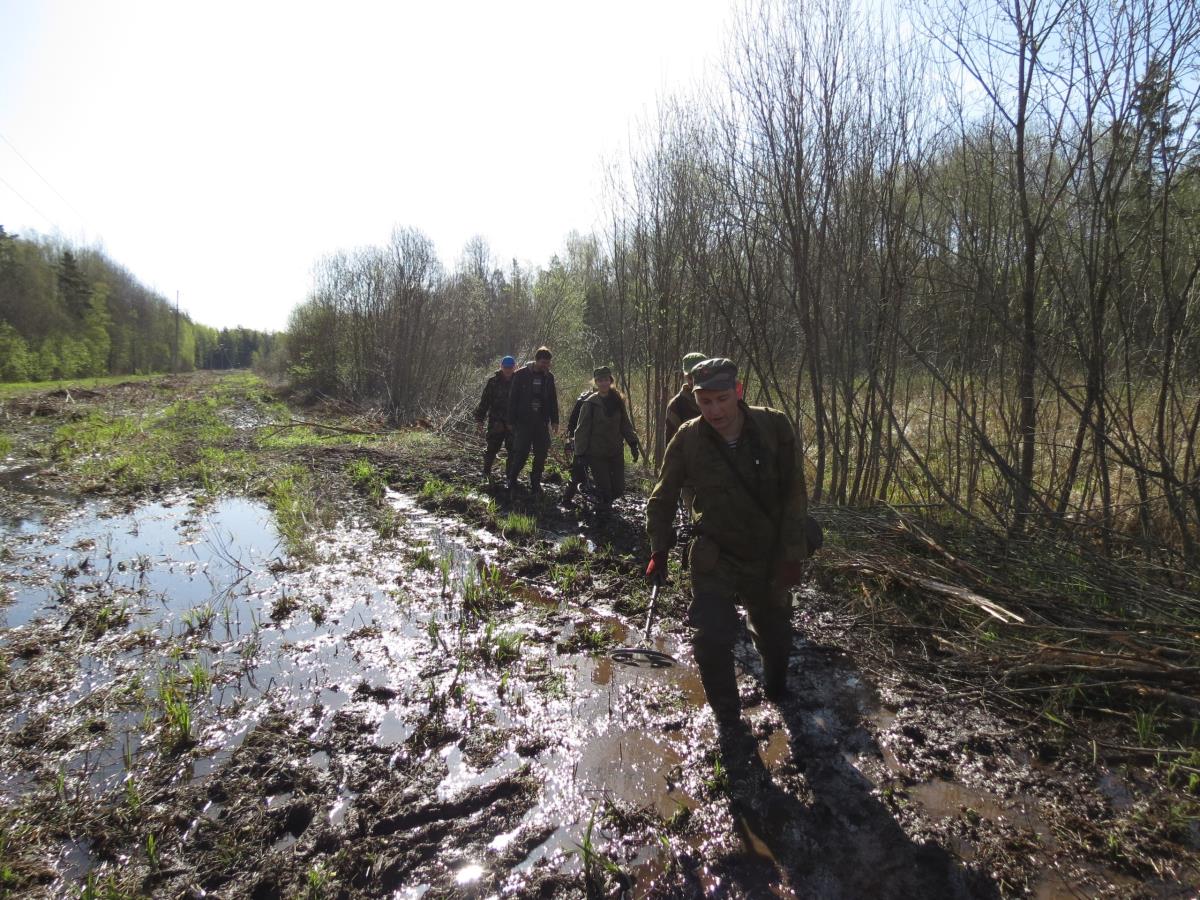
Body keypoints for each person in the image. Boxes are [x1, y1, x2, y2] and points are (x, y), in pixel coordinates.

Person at [644, 358, 810, 726]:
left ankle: (777, 692)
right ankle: (728, 720)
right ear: (695, 399)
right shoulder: (688, 438)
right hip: (714, 553)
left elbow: (795, 495)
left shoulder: (774, 427)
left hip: (767, 554)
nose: (714, 410)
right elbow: (663, 497)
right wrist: (659, 548)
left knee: (775, 637)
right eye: (705, 402)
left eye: (721, 399)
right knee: (711, 639)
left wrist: (791, 555)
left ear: (738, 391)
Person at [565, 366, 640, 511]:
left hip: (615, 452)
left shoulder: (618, 400)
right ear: (596, 382)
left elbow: (625, 424)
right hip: (596, 454)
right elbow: (581, 430)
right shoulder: (590, 404)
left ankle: (603, 504)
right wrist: (580, 454)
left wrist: (633, 443)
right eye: (600, 380)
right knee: (605, 489)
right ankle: (602, 514)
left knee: (618, 489)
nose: (603, 383)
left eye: (606, 380)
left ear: (610, 381)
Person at [505, 346, 559, 493]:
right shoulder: (521, 374)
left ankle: (535, 481)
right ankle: (512, 478)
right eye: (543, 362)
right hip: (523, 421)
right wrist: (510, 421)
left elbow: (553, 399)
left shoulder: (549, 377)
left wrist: (555, 420)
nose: (545, 366)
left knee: (541, 453)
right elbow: (512, 399)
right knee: (521, 452)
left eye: (548, 363)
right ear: (536, 360)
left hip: (541, 421)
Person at [473, 355, 517, 482]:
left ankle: (510, 477)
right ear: (501, 367)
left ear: (514, 367)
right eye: (506, 367)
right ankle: (486, 472)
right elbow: (484, 402)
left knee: (513, 450)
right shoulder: (493, 382)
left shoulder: (519, 381)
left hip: (512, 422)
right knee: (492, 447)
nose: (508, 370)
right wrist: (479, 420)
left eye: (510, 367)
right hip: (495, 421)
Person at [664, 351, 707, 446]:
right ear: (685, 376)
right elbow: (671, 445)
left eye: (698, 374)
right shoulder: (677, 404)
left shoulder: (718, 398)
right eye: (690, 377)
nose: (694, 380)